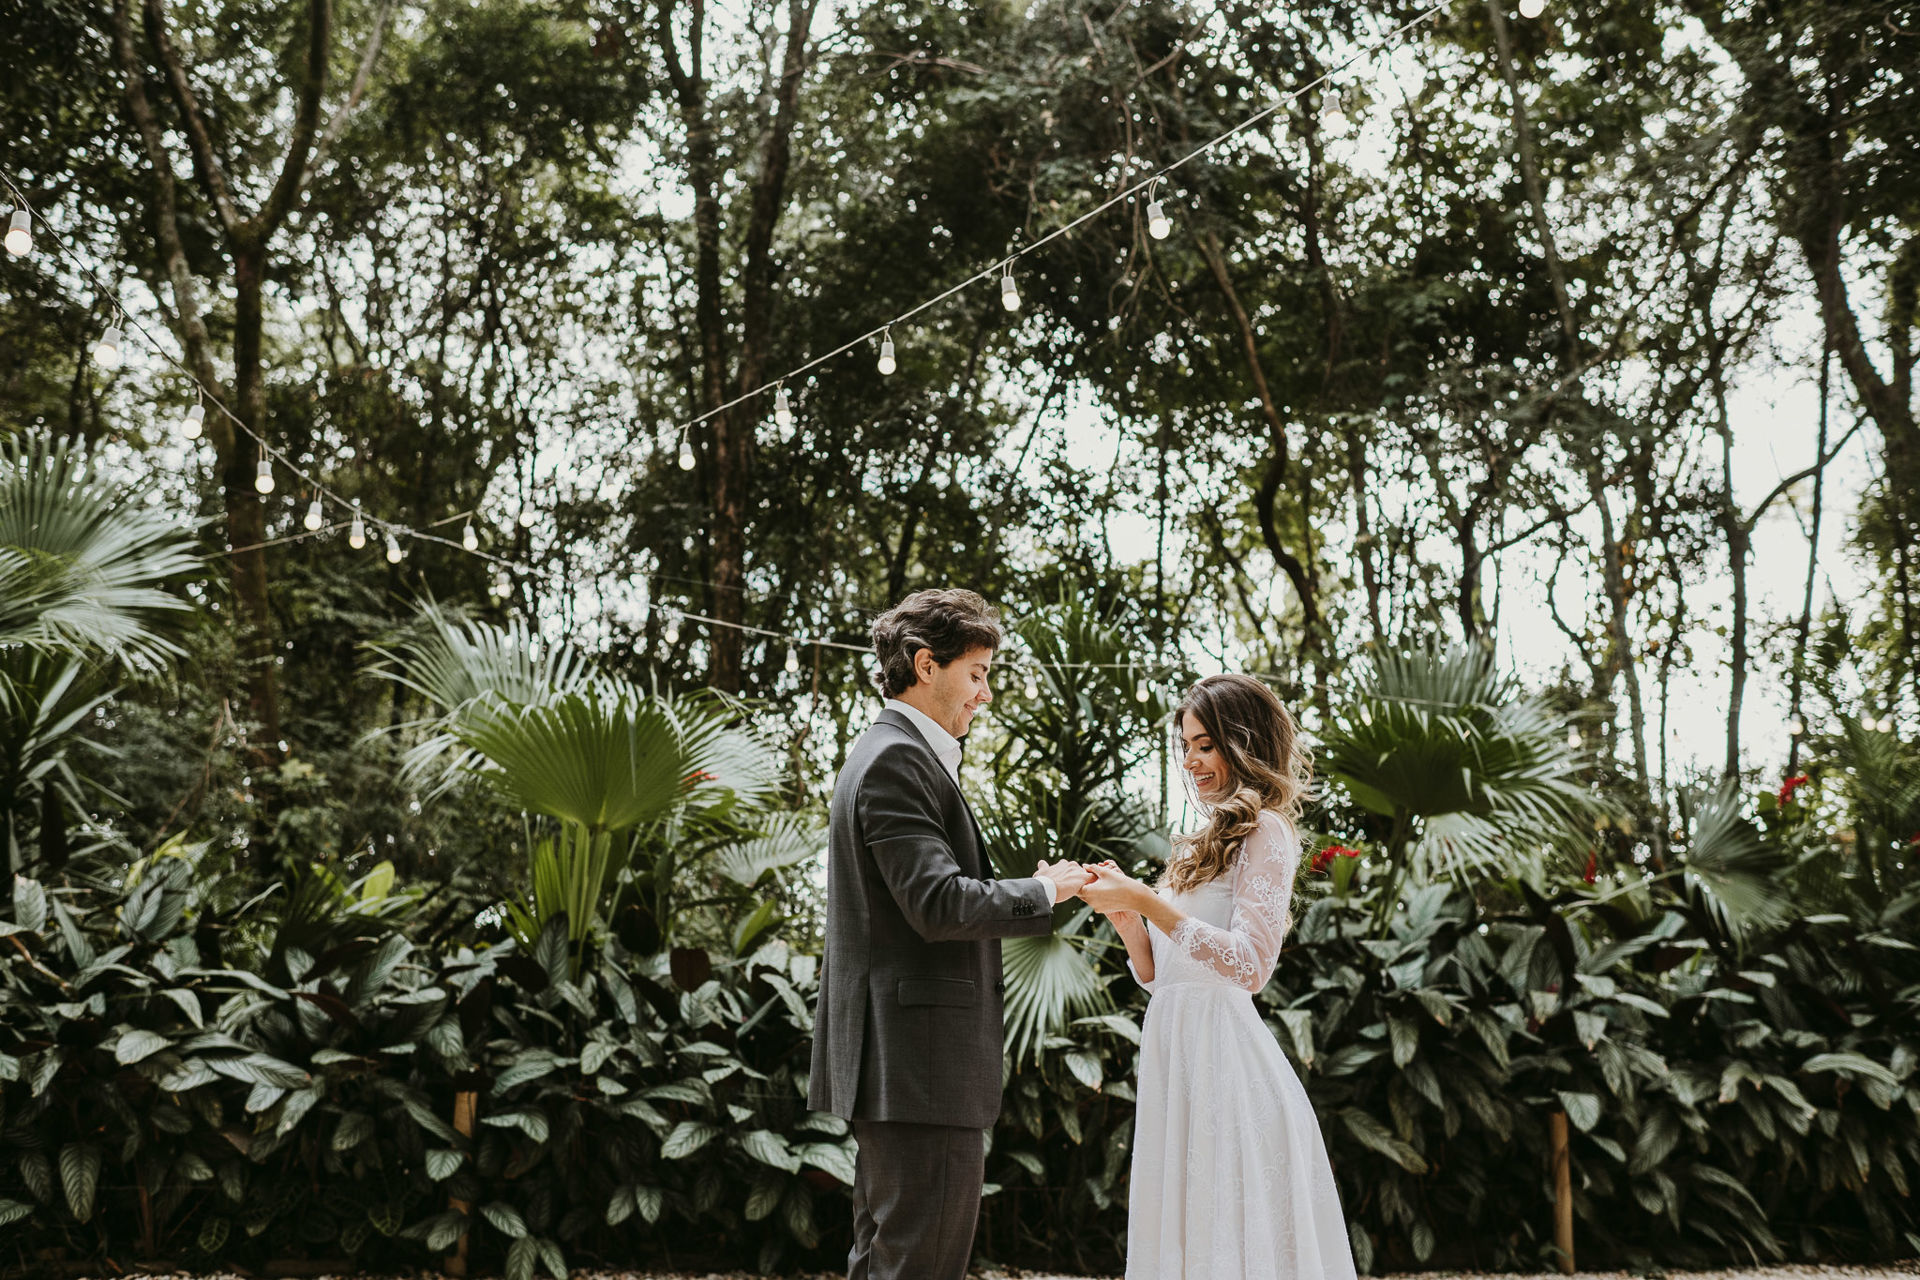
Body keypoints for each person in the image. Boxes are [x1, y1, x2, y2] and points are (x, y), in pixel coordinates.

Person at [808, 588, 1092, 1280]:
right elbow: (936, 903)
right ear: (925, 664)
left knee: (885, 1261)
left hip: (901, 1068)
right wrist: (1047, 889)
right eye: (977, 673)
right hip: (918, 1066)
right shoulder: (897, 761)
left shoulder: (886, 753)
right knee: (920, 1266)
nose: (985, 695)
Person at [1077, 673, 1358, 1280]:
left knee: (1224, 1225)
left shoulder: (1267, 830)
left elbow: (1250, 966)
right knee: (1180, 1218)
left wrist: (1152, 905)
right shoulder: (1202, 842)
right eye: (1186, 745)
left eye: (1206, 744)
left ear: (1243, 741)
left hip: (1224, 1058)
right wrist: (1129, 918)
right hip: (1173, 1046)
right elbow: (1164, 975)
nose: (1192, 759)